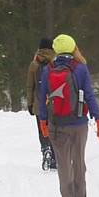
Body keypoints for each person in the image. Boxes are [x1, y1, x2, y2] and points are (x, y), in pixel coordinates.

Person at [38, 34, 99, 197]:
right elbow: (89, 96)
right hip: (79, 124)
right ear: (73, 48)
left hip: (57, 125)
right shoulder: (81, 68)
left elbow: (42, 98)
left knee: (63, 164)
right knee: (78, 160)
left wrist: (43, 121)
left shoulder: (47, 70)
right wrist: (98, 119)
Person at [26, 37, 57, 170]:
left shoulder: (34, 64)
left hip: (39, 104)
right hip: (54, 103)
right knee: (54, 130)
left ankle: (45, 150)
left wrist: (29, 104)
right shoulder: (55, 63)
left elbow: (30, 86)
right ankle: (55, 158)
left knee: (42, 129)